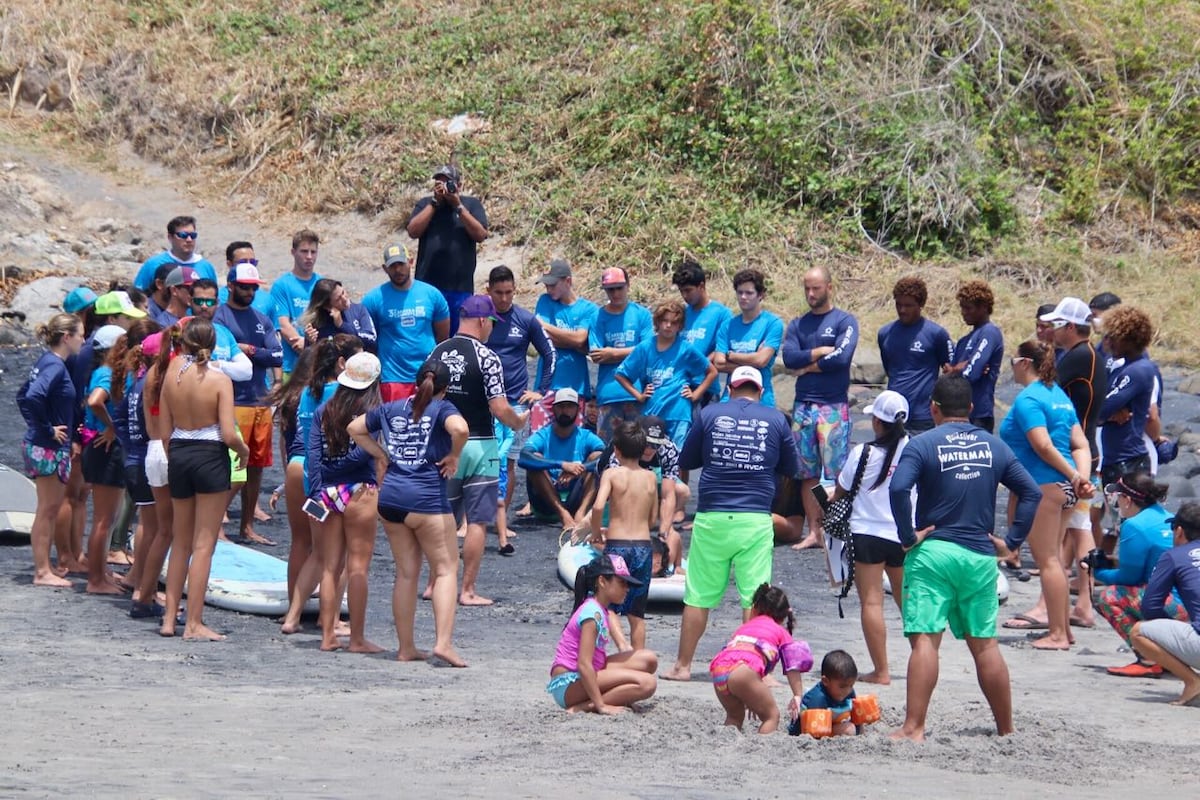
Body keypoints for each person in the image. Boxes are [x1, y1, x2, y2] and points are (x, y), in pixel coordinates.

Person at [887, 374, 1042, 741]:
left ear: (933, 408)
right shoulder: (995, 446)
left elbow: (898, 488)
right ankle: (1006, 729)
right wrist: (1011, 542)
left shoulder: (922, 443)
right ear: (971, 409)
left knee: (926, 639)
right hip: (978, 555)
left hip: (934, 553)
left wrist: (908, 536)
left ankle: (914, 727)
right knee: (984, 643)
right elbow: (1031, 492)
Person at [664, 366, 800, 681]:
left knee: (697, 595)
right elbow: (792, 467)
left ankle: (683, 667)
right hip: (754, 517)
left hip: (713, 516)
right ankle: (755, 670)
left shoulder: (710, 413)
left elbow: (686, 461)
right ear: (761, 390)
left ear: (729, 388)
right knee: (755, 596)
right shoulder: (776, 419)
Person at [350, 358, 470, 666]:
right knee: (445, 569)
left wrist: (383, 455)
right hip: (427, 498)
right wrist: (454, 455)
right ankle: (443, 642)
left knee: (405, 573)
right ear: (446, 387)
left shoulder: (393, 408)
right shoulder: (443, 408)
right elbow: (461, 429)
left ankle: (406, 648)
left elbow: (355, 428)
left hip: (391, 497)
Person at [429, 295, 529, 605]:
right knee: (477, 521)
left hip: (444, 444)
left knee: (443, 518)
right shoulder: (486, 357)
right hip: (479, 443)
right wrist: (519, 421)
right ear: (483, 321)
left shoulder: (437, 351)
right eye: (491, 325)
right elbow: (499, 408)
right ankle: (467, 590)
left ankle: (434, 584)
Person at [998, 340, 1094, 651]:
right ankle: (1063, 627)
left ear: (1025, 363)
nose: (1010, 366)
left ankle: (1057, 634)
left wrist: (1075, 476)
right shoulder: (1061, 398)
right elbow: (1080, 444)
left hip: (1044, 486)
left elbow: (1042, 445)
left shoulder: (1030, 399)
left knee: (1048, 560)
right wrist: (1081, 478)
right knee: (1055, 559)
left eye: (1013, 360)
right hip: (1063, 488)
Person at [158, 319, 250, 640]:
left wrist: (176, 459)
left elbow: (164, 433)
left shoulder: (170, 376)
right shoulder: (220, 380)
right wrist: (244, 449)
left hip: (179, 453)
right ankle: (194, 623)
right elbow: (227, 433)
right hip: (209, 454)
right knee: (204, 544)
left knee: (180, 542)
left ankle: (169, 619)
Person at [832, 390, 911, 684]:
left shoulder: (862, 453)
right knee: (909, 601)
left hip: (866, 533)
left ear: (877, 422)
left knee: (872, 603)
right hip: (904, 534)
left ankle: (881, 671)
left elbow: (840, 491)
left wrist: (820, 499)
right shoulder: (915, 449)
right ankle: (923, 656)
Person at [780, 265, 859, 550]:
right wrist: (816, 352)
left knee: (838, 472)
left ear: (829, 287)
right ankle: (814, 531)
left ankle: (836, 529)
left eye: (816, 288)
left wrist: (808, 366)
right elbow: (789, 358)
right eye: (807, 288)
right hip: (803, 407)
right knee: (807, 473)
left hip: (833, 407)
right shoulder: (798, 325)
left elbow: (841, 357)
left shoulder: (844, 321)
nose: (811, 294)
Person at [308, 351, 381, 653]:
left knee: (329, 568)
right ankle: (357, 639)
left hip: (327, 492)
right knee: (358, 568)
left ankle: (327, 636)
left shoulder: (324, 410)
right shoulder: (373, 411)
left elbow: (314, 456)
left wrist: (318, 489)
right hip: (361, 490)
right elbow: (364, 453)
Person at [1043, 296, 1107, 622]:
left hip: (1076, 456)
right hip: (1088, 450)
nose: (1051, 332)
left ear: (1070, 327)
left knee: (1069, 531)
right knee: (1079, 529)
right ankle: (1083, 602)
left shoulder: (1078, 357)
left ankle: (1067, 605)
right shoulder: (1091, 355)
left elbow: (1044, 385)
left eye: (1056, 325)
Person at [484, 265, 556, 547]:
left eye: (508, 293)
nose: (503, 299)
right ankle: (471, 518)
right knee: (480, 460)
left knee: (509, 462)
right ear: (488, 290)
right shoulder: (480, 318)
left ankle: (501, 520)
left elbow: (550, 354)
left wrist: (540, 391)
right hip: (485, 402)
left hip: (515, 402)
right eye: (498, 293)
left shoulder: (526, 319)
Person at [213, 262, 283, 545]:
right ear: (230, 286)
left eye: (253, 287)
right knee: (232, 468)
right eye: (244, 286)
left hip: (259, 399)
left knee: (256, 467)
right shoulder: (220, 317)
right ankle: (216, 524)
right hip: (233, 400)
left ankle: (247, 526)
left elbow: (276, 356)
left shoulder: (261, 318)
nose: (249, 291)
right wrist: (257, 353)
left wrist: (247, 350)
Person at [1092, 473, 1186, 677]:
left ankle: (1149, 659)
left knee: (1108, 597)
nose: (1116, 502)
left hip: (1175, 603)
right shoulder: (1165, 515)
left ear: (1127, 499)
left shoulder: (1134, 525)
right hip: (1187, 599)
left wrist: (1098, 571)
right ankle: (1167, 656)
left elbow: (1129, 578)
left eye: (1117, 496)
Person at [17, 313, 86, 588]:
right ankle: (42, 571)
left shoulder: (47, 362)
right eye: (80, 334)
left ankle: (46, 567)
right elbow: (32, 396)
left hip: (45, 444)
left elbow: (22, 395)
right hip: (46, 446)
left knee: (49, 508)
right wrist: (46, 429)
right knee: (47, 509)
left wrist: (39, 426)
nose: (83, 339)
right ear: (67, 337)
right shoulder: (55, 366)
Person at [547, 554, 658, 713]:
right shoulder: (592, 614)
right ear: (602, 581)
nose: (626, 589)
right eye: (622, 582)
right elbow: (583, 664)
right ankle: (587, 706)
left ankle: (610, 698)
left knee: (648, 659)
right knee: (647, 684)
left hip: (586, 673)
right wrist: (601, 706)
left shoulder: (599, 608)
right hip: (569, 684)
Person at [589, 421, 658, 651]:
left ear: (616, 451)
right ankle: (638, 657)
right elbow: (652, 519)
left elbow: (598, 507)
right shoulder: (650, 477)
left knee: (608, 603)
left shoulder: (611, 474)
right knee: (636, 611)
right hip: (643, 546)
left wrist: (597, 533)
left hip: (617, 546)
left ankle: (622, 646)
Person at [708, 583, 812, 734]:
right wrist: (797, 695)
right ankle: (759, 750)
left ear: (755, 609)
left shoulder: (744, 627)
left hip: (718, 670)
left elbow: (742, 655)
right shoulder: (781, 632)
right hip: (742, 673)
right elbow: (792, 667)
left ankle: (723, 748)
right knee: (772, 716)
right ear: (783, 617)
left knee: (734, 716)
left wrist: (751, 696)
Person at [615, 299, 716, 447]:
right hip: (652, 411)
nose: (668, 326)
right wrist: (639, 395)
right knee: (650, 455)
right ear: (657, 322)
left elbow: (712, 372)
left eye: (674, 322)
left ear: (680, 326)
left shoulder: (686, 348)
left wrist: (696, 394)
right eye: (664, 321)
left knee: (678, 458)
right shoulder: (645, 347)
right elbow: (620, 375)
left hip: (678, 412)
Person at [1129, 502, 1200, 706]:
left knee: (1139, 632)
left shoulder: (1174, 556)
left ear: (1179, 531)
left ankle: (1192, 681)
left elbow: (1150, 606)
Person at [407, 164, 489, 335]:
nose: (443, 188)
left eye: (448, 183)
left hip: (459, 288)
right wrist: (434, 203)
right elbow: (413, 231)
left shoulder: (471, 205)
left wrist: (458, 206)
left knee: (455, 336)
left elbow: (481, 234)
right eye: (439, 183)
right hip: (426, 286)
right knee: (426, 335)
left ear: (459, 186)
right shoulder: (425, 204)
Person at [362, 242, 451, 401]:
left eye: (401, 264)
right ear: (385, 268)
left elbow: (443, 337)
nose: (398, 270)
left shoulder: (432, 295)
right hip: (393, 379)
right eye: (392, 266)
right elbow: (366, 337)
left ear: (410, 262)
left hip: (428, 376)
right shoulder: (374, 299)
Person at [80, 324, 131, 594]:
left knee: (106, 519)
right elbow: (95, 401)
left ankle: (100, 573)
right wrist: (112, 427)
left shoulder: (106, 371)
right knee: (103, 519)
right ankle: (95, 580)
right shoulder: (107, 373)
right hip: (105, 448)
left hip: (103, 447)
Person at [517, 388, 604, 530]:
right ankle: (563, 514)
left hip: (574, 498)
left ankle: (581, 513)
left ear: (577, 409)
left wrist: (578, 470)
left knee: (596, 458)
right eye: (561, 407)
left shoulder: (585, 436)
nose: (565, 411)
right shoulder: (543, 434)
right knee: (534, 460)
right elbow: (524, 457)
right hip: (546, 503)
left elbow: (606, 457)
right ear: (554, 409)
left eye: (570, 407)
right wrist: (562, 465)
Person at [530, 259, 598, 436]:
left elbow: (580, 339)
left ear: (568, 281)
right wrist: (575, 343)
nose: (548, 289)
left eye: (553, 285)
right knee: (539, 440)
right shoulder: (545, 301)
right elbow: (540, 336)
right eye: (546, 285)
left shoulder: (588, 309)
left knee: (574, 442)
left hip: (576, 387)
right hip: (547, 386)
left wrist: (544, 327)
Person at [877, 277, 953, 433]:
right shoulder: (885, 334)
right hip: (893, 414)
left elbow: (950, 371)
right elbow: (889, 369)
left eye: (908, 305)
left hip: (922, 417)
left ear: (921, 305)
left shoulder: (936, 334)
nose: (902, 310)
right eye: (899, 304)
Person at [588, 267, 653, 439]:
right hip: (609, 393)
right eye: (610, 289)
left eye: (619, 288)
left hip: (637, 392)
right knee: (607, 450)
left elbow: (648, 349)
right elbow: (596, 355)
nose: (615, 293)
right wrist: (632, 352)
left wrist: (613, 354)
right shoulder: (597, 317)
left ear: (628, 286)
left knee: (639, 447)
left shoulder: (642, 315)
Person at [1097, 306, 1157, 485]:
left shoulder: (1138, 370)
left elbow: (1099, 410)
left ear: (1129, 339)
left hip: (1128, 463)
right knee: (1114, 513)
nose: (1108, 343)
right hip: (1116, 459)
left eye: (1114, 337)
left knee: (1125, 513)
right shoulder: (1122, 366)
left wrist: (1105, 416)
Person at [714, 268, 784, 409]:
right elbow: (719, 364)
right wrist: (752, 361)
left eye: (749, 293)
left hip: (761, 399)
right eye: (740, 292)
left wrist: (731, 355)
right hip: (729, 399)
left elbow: (761, 360)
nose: (743, 297)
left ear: (761, 295)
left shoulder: (773, 323)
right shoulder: (727, 326)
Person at [945, 280, 1004, 433]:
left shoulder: (990, 332)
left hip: (979, 415)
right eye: (962, 307)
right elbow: (949, 375)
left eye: (968, 308)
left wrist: (960, 369)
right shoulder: (964, 341)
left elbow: (972, 373)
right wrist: (959, 368)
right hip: (957, 413)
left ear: (983, 307)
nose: (963, 312)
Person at [672, 258, 731, 405]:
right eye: (681, 291)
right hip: (680, 385)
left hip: (706, 387)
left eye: (688, 290)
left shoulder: (721, 314)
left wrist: (700, 364)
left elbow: (721, 349)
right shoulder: (682, 314)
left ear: (701, 286)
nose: (685, 296)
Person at [272, 229, 324, 379]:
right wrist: (303, 343)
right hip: (291, 365)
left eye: (313, 252)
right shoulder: (282, 285)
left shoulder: (322, 284)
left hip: (317, 365)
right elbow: (282, 324)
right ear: (293, 252)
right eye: (304, 251)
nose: (309, 257)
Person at [132, 215, 218, 292]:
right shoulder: (153, 264)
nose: (189, 240)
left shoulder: (206, 267)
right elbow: (137, 295)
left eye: (193, 235)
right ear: (170, 237)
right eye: (183, 235)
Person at [792, 650, 861, 737]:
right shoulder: (817, 699)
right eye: (842, 686)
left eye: (851, 685)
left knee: (858, 725)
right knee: (849, 729)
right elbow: (813, 731)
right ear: (825, 681)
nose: (848, 690)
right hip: (809, 728)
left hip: (830, 723)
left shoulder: (848, 690)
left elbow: (856, 718)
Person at [299, 277, 377, 353]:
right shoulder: (318, 326)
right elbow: (309, 360)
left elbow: (371, 341)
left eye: (343, 292)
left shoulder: (358, 310)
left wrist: (342, 325)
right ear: (327, 306)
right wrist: (310, 343)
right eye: (338, 299)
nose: (344, 299)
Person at [217, 242, 278, 318]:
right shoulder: (217, 298)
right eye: (243, 262)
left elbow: (274, 328)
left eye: (252, 262)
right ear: (229, 264)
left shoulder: (267, 299)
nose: (249, 266)